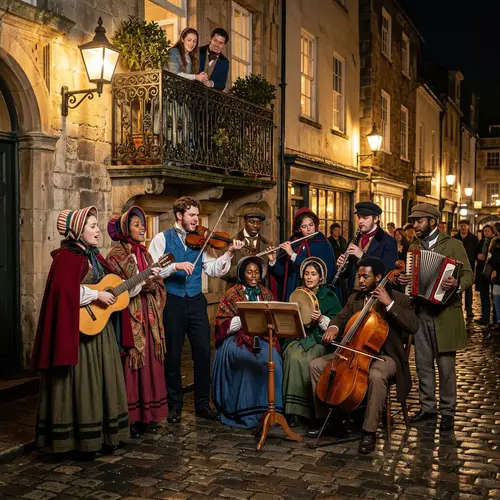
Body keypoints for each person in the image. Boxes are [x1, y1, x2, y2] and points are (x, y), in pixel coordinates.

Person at [31, 206, 134, 459]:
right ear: (77, 231)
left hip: (101, 332)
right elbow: (64, 293)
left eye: (97, 226)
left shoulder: (94, 256)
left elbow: (114, 287)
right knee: (80, 383)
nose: (98, 231)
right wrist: (96, 294)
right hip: (78, 334)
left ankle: (105, 436)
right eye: (92, 226)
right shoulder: (66, 257)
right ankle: (78, 440)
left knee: (104, 381)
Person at [149, 197, 245, 423]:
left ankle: (202, 403)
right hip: (172, 301)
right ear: (179, 215)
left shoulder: (202, 240)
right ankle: (174, 405)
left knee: (202, 352)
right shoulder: (162, 238)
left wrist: (229, 253)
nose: (196, 220)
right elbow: (152, 269)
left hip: (195, 300)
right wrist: (175, 266)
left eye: (197, 216)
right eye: (192, 215)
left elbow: (213, 270)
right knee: (172, 354)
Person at [308, 257, 417, 454]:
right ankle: (330, 420)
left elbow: (413, 326)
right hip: (354, 352)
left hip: (386, 356)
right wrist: (333, 327)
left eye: (365, 277)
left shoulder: (400, 299)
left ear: (379, 278)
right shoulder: (355, 298)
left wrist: (389, 304)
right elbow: (341, 318)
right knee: (316, 365)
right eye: (359, 276)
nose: (360, 281)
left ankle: (369, 431)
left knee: (376, 375)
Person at [395, 204, 473, 432]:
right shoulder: (413, 246)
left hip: (446, 315)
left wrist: (457, 285)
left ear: (433, 222)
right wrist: (404, 281)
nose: (415, 226)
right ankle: (427, 407)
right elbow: (411, 277)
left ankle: (447, 411)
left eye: (419, 221)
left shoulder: (453, 245)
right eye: (413, 222)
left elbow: (469, 274)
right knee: (423, 365)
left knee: (446, 368)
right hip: (421, 313)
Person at [106, 206, 168, 438]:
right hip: (129, 314)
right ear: (125, 229)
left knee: (151, 361)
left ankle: (148, 415)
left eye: (143, 224)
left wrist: (155, 283)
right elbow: (114, 287)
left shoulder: (146, 254)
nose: (142, 228)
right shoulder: (115, 256)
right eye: (136, 225)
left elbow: (158, 281)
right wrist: (143, 284)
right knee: (132, 365)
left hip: (149, 314)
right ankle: (131, 417)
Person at [212, 256, 282, 428]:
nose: (253, 276)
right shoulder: (232, 294)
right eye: (249, 272)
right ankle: (245, 412)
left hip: (263, 337)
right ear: (243, 274)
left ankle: (270, 411)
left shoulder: (266, 293)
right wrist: (241, 320)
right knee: (247, 361)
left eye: (256, 272)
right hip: (237, 338)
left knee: (275, 363)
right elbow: (222, 324)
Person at [282, 257, 341, 427]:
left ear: (321, 277)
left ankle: (311, 412)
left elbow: (338, 325)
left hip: (320, 341)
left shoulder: (330, 296)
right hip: (299, 337)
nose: (309, 277)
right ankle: (293, 412)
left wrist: (322, 319)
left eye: (313, 274)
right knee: (292, 356)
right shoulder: (297, 294)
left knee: (308, 360)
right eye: (306, 274)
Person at [268, 208, 336, 302]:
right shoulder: (294, 242)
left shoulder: (323, 244)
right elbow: (284, 274)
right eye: (304, 226)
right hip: (293, 290)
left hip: (313, 294)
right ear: (299, 229)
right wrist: (273, 261)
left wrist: (292, 255)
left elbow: (320, 269)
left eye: (311, 225)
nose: (309, 229)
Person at [337, 202, 398, 298]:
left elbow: (388, 271)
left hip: (375, 296)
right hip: (353, 295)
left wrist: (362, 256)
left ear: (376, 219)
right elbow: (348, 273)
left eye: (365, 218)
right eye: (359, 217)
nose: (360, 221)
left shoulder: (388, 241)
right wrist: (343, 266)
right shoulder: (353, 240)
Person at [222, 207, 270, 288]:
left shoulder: (267, 243)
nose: (255, 225)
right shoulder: (230, 242)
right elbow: (222, 273)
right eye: (251, 222)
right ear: (244, 222)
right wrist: (242, 268)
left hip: (259, 294)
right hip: (237, 294)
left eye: (258, 223)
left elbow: (270, 275)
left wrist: (272, 262)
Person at [453, 220, 478, 319]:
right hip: (456, 267)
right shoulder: (455, 239)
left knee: (468, 289)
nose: (462, 228)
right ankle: (457, 309)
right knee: (456, 288)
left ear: (468, 227)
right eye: (461, 226)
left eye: (464, 226)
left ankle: (469, 309)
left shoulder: (473, 239)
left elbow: (476, 252)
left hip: (469, 267)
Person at [487, 237, 500, 332]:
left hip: (497, 279)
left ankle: (498, 320)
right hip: (496, 281)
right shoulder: (495, 251)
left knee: (496, 300)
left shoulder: (496, 251)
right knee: (496, 300)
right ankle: (497, 320)